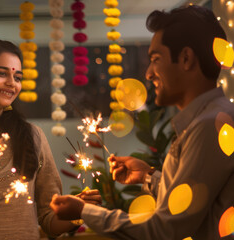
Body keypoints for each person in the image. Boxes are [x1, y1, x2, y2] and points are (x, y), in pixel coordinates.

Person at [50, 5, 234, 240]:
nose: (148, 73)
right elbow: (195, 203)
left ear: (186, 59)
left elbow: (165, 229)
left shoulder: (210, 126)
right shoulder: (208, 120)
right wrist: (148, 176)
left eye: (156, 59)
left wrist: (85, 211)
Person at [0, 39, 102, 239]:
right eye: (1, 73)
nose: (11, 83)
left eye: (17, 77)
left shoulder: (33, 137)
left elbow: (49, 220)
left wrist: (79, 212)